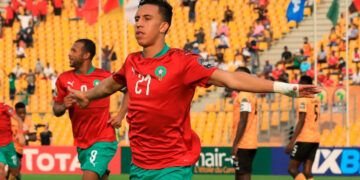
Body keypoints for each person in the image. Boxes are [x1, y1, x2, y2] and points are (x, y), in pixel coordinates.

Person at [67, 1, 320, 179]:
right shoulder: (131, 61)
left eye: (146, 18)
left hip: (173, 165)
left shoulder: (183, 62)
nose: (139, 24)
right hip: (139, 165)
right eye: (137, 19)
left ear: (164, 26)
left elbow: (232, 80)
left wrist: (287, 88)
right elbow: (111, 85)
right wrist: (87, 95)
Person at [52, 39, 124, 180]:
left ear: (86, 55)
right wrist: (63, 105)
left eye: (74, 50)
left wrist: (121, 115)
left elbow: (129, 90)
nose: (69, 54)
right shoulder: (63, 79)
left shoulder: (105, 76)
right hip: (82, 141)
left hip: (104, 138)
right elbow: (56, 109)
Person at [286, 76, 320, 180]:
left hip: (304, 138)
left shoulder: (303, 99)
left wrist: (292, 141)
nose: (298, 86)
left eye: (300, 84)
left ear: (304, 85)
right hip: (315, 138)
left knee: (292, 169)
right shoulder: (315, 98)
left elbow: (301, 120)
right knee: (307, 171)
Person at [232, 67, 258, 180]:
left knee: (243, 175)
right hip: (249, 142)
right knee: (240, 174)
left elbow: (243, 119)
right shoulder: (250, 95)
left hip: (243, 143)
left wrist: (235, 144)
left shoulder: (244, 95)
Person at [0, 102, 25, 180]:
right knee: (1, 167)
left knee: (14, 171)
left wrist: (20, 134)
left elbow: (19, 120)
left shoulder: (5, 107)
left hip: (8, 145)